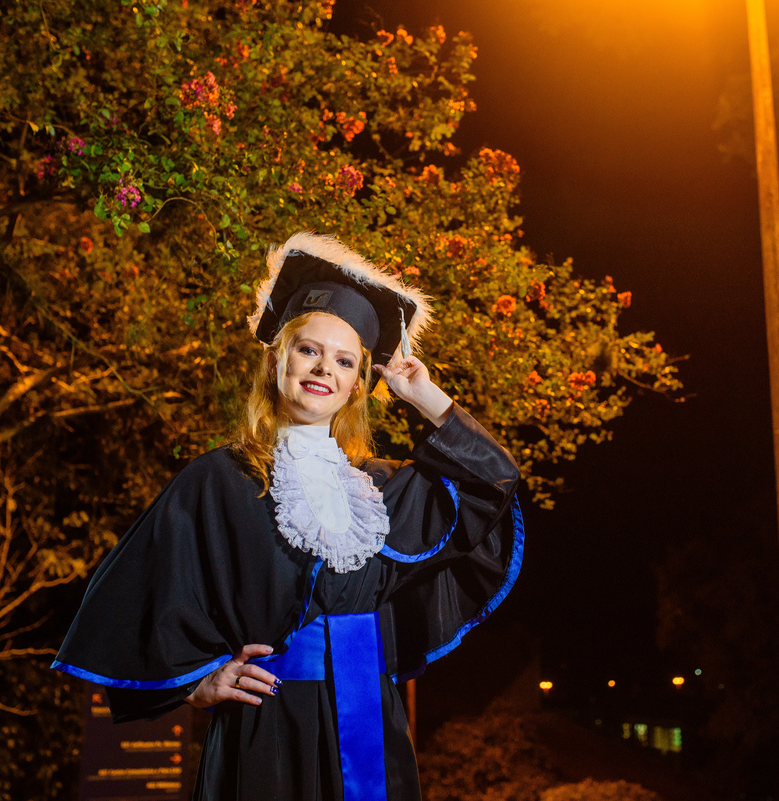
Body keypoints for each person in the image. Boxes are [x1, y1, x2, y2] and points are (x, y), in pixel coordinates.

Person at [52, 232, 524, 801]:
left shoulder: (379, 489)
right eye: (308, 350)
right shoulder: (221, 479)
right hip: (267, 723)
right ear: (278, 359)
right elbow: (137, 598)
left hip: (372, 721)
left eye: (344, 361)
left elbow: (493, 479)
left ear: (356, 385)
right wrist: (198, 684)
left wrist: (422, 394)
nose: (324, 368)